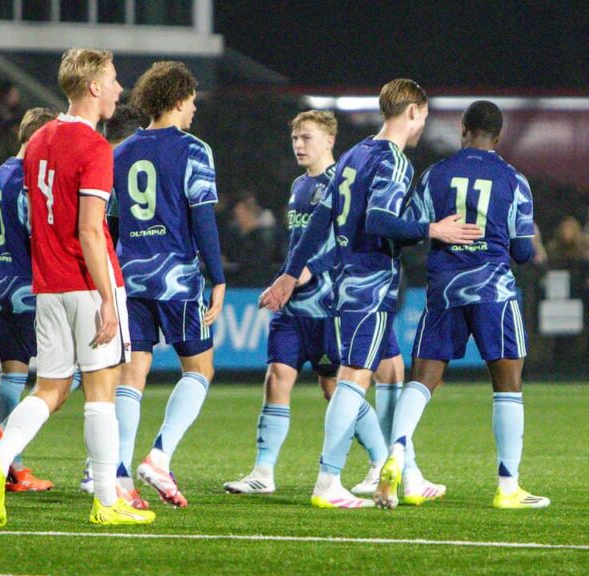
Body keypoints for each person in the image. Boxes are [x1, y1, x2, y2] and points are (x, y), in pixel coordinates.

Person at [264, 79, 482, 508]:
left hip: (350, 282)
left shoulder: (354, 154)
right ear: (414, 111)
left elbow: (320, 220)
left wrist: (290, 274)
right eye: (423, 116)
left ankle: (406, 471)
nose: (423, 126)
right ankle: (328, 480)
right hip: (369, 282)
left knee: (394, 374)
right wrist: (431, 229)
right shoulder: (393, 161)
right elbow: (381, 220)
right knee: (353, 378)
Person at [0, 48, 154, 527]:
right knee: (101, 393)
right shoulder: (95, 148)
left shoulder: (37, 143)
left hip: (47, 286)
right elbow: (92, 231)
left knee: (49, 388)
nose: (119, 89)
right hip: (87, 283)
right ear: (94, 86)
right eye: (114, 80)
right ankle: (105, 501)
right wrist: (108, 301)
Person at [382, 100, 548, 509]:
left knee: (422, 381)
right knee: (507, 386)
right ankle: (508, 488)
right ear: (499, 135)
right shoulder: (514, 180)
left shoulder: (434, 174)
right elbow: (525, 251)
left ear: (463, 129)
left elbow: (409, 230)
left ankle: (398, 452)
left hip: (444, 291)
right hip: (494, 293)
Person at [224, 111, 388, 496]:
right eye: (295, 137)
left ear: (330, 141)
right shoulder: (298, 185)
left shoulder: (342, 185)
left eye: (307, 138)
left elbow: (347, 242)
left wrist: (311, 271)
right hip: (294, 306)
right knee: (277, 378)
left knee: (335, 388)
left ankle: (381, 459)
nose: (299, 144)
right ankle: (263, 472)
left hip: (329, 306)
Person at [108, 62, 225, 509]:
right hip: (176, 278)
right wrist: (218, 278)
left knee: (131, 376)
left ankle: (120, 476)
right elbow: (202, 219)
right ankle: (159, 455)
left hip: (129, 277)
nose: (194, 107)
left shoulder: (120, 153)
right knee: (200, 369)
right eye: (192, 99)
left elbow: (113, 223)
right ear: (177, 100)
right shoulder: (194, 150)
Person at [0, 106, 62, 492]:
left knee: (12, 375)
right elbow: (37, 235)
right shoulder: (30, 180)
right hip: (30, 287)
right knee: (72, 370)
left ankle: (16, 470)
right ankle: (2, 432)